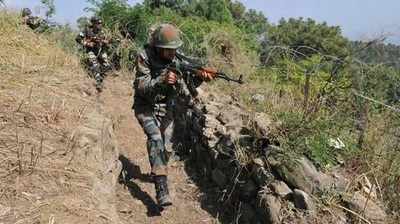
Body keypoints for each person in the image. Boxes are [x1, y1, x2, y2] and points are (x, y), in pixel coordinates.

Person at [132, 23, 215, 207]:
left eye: (174, 49)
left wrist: (201, 76)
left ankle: (159, 168)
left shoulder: (176, 58)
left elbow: (190, 83)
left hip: (166, 107)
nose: (172, 53)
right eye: (168, 50)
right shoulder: (144, 56)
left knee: (167, 148)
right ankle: (161, 189)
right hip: (145, 106)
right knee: (155, 139)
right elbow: (142, 87)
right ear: (159, 47)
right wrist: (162, 80)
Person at [76, 16, 111, 91]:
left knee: (107, 66)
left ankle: (100, 79)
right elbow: (78, 38)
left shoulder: (102, 32)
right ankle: (98, 82)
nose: (99, 25)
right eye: (98, 23)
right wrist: (86, 43)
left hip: (100, 51)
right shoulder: (87, 30)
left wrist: (105, 43)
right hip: (90, 50)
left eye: (100, 23)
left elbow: (107, 42)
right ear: (93, 23)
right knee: (95, 65)